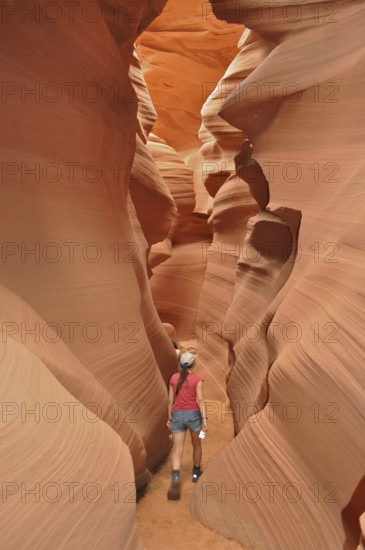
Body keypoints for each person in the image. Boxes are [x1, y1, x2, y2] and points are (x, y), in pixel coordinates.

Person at [166, 351, 208, 500]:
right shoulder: (198, 379)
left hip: (177, 415)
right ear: (193, 364)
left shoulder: (173, 378)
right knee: (197, 444)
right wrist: (205, 421)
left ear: (180, 363)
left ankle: (176, 476)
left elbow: (170, 401)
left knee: (177, 448)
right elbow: (200, 401)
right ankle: (196, 474)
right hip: (193, 416)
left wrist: (170, 417)